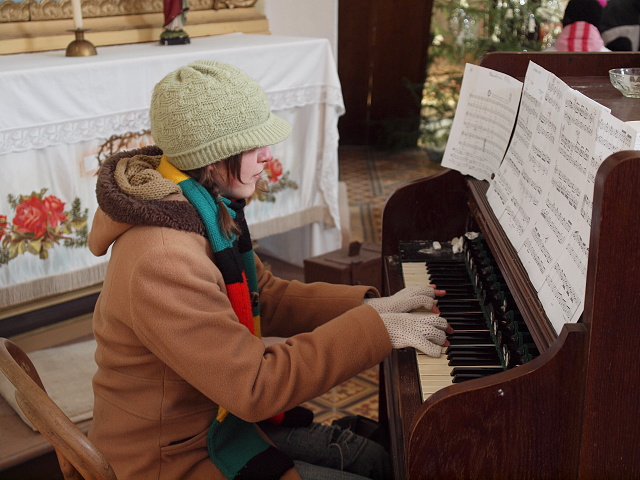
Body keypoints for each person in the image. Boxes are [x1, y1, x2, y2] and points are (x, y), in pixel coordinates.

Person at [87, 60, 453, 480]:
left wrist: (376, 305)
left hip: (212, 420)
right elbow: (256, 386)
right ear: (212, 157)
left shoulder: (199, 205)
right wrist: (376, 329)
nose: (267, 155)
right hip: (171, 455)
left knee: (375, 460)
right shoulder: (164, 257)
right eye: (253, 144)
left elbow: (267, 295)